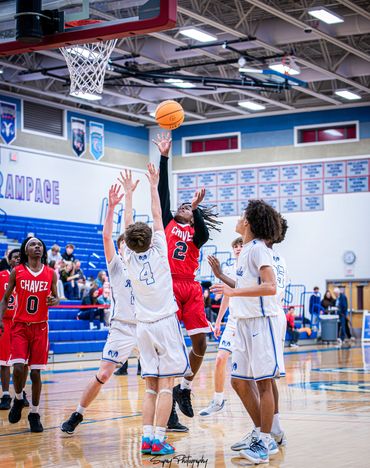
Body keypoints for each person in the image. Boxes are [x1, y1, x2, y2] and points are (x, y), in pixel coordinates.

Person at [120, 164, 190, 456]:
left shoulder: (127, 256)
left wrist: (127, 195)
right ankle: (159, 439)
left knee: (150, 387)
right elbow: (159, 214)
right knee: (166, 386)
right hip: (165, 324)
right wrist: (153, 184)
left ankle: (147, 438)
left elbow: (126, 226)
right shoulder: (160, 250)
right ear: (150, 238)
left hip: (143, 328)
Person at [154, 133, 221, 432]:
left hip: (190, 287)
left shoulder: (197, 234)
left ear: (193, 216)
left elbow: (204, 234)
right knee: (170, 350)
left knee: (202, 343)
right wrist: (165, 157)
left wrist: (196, 208)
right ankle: (169, 414)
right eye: (180, 205)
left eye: (187, 208)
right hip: (167, 285)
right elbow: (162, 190)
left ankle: (184, 387)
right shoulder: (167, 222)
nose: (182, 206)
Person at [61, 181, 137, 435]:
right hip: (123, 328)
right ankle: (78, 413)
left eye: (129, 243)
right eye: (123, 244)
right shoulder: (116, 266)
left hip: (148, 326)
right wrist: (113, 206)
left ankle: (169, 415)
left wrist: (130, 197)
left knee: (162, 375)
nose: (126, 247)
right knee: (104, 373)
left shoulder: (145, 264)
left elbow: (133, 226)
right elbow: (107, 236)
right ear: (120, 247)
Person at [210, 200, 283, 464]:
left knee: (263, 383)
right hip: (243, 322)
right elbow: (244, 284)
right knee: (239, 381)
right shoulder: (247, 251)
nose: (238, 219)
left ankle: (265, 442)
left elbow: (270, 286)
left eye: (242, 216)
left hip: (261, 322)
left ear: (249, 222)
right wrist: (222, 276)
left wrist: (234, 291)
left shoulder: (259, 250)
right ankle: (259, 431)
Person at [0, 237, 59, 432]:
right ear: (26, 250)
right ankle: (18, 398)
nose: (37, 247)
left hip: (40, 328)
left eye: (40, 245)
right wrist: (0, 319)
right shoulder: (17, 272)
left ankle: (34, 413)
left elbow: (56, 297)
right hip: (19, 327)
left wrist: (54, 300)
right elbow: (5, 298)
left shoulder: (51, 273)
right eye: (33, 245)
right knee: (17, 368)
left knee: (35, 373)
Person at [199, 237, 243, 417]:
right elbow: (226, 296)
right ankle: (218, 400)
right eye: (235, 246)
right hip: (233, 321)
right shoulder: (230, 269)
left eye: (241, 245)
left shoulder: (253, 266)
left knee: (248, 370)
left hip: (249, 320)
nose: (238, 248)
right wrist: (218, 321)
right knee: (220, 358)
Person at [0, 249, 29, 411]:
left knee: (23, 363)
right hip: (5, 322)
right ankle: (5, 394)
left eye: (20, 257)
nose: (17, 259)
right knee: (3, 361)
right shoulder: (1, 276)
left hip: (22, 322)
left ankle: (21, 392)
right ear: (9, 260)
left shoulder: (27, 276)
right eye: (14, 257)